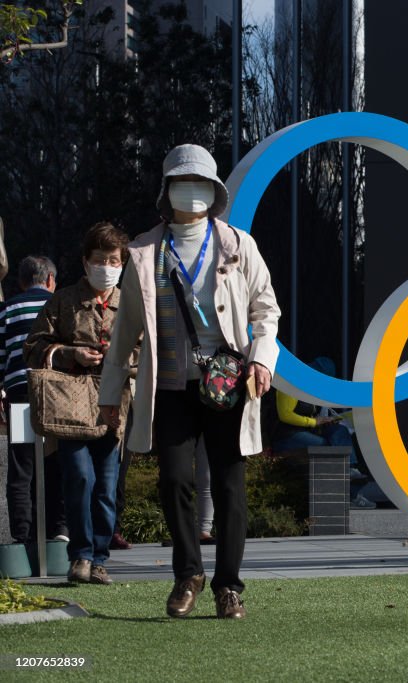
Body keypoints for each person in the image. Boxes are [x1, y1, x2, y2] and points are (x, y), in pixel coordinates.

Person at [99, 144, 281, 619]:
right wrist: (110, 393)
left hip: (228, 383)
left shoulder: (239, 245)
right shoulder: (143, 251)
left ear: (215, 191)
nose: (192, 190)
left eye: (201, 182)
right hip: (172, 385)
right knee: (174, 479)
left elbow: (267, 310)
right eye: (183, 181)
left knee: (228, 485)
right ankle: (188, 575)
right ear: (167, 190)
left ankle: (229, 586)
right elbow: (126, 332)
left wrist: (262, 359)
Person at [23, 224, 135, 585]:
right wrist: (70, 353)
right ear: (86, 262)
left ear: (123, 263)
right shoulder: (64, 300)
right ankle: (80, 556)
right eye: (99, 259)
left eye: (113, 260)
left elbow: (148, 351)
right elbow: (33, 345)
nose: (106, 266)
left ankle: (99, 558)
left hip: (113, 403)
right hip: (69, 403)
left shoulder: (131, 303)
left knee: (106, 484)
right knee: (79, 477)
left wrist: (118, 358)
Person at [1, 256, 65, 546]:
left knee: (21, 463)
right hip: (57, 392)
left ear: (21, 281)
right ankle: (58, 528)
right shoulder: (59, 304)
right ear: (50, 279)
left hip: (19, 392)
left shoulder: (6, 310)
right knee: (57, 459)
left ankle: (23, 533)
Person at [272, 356, 376, 509]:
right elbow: (285, 414)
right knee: (326, 448)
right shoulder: (291, 384)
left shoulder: (312, 390)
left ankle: (350, 469)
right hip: (287, 436)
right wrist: (314, 422)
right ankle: (348, 493)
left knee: (339, 431)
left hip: (308, 431)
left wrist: (327, 420)